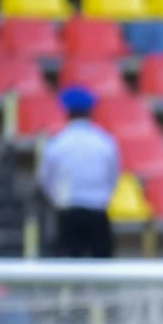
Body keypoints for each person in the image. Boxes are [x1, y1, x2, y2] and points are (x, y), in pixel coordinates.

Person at [36, 86, 120, 258]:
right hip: (97, 211)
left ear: (67, 112)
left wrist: (58, 199)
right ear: (91, 112)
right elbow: (113, 176)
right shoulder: (104, 142)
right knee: (103, 268)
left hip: (69, 212)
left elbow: (45, 178)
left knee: (69, 268)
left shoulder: (58, 143)